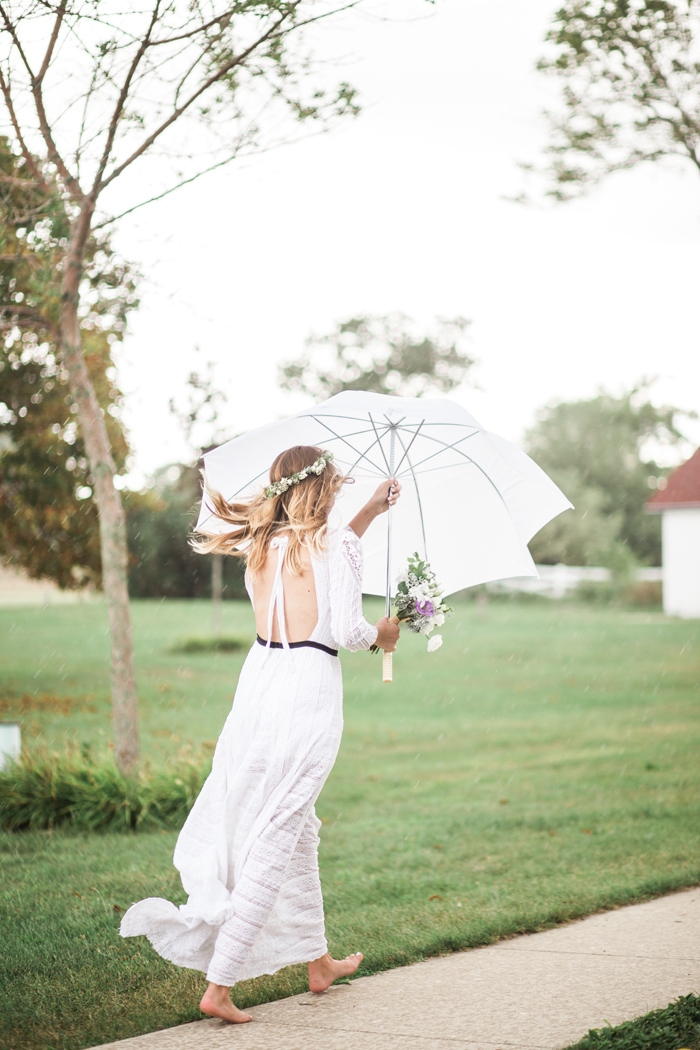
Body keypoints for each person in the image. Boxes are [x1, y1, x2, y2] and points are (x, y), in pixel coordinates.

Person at [120, 446, 401, 1023]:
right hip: (307, 691)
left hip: (259, 683)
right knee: (278, 831)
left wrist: (370, 513)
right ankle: (219, 985)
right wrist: (385, 636)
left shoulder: (259, 543)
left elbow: (316, 553)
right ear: (321, 488)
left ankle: (317, 961)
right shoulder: (338, 545)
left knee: (299, 827)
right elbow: (350, 631)